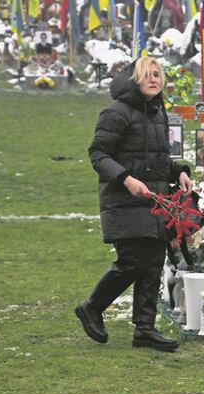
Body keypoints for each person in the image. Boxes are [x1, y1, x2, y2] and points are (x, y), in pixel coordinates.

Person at [76, 56, 193, 352]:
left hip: (153, 200)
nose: (153, 79)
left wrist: (177, 171)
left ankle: (144, 328)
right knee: (132, 260)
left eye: (157, 74)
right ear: (135, 79)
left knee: (153, 262)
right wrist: (126, 179)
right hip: (124, 199)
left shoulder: (156, 111)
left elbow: (156, 158)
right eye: (147, 75)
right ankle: (92, 306)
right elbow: (99, 155)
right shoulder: (116, 112)